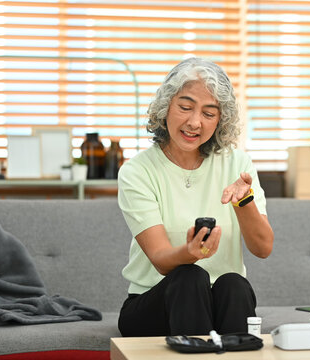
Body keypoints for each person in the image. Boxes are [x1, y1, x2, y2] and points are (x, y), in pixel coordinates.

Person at [117, 57, 274, 337]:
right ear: (166, 106)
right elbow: (162, 260)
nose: (194, 122)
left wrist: (244, 202)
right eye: (185, 107)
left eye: (209, 113)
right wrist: (189, 253)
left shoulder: (238, 165)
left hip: (218, 304)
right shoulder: (137, 170)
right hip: (154, 304)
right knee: (190, 276)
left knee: (234, 284)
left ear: (220, 120)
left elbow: (263, 248)